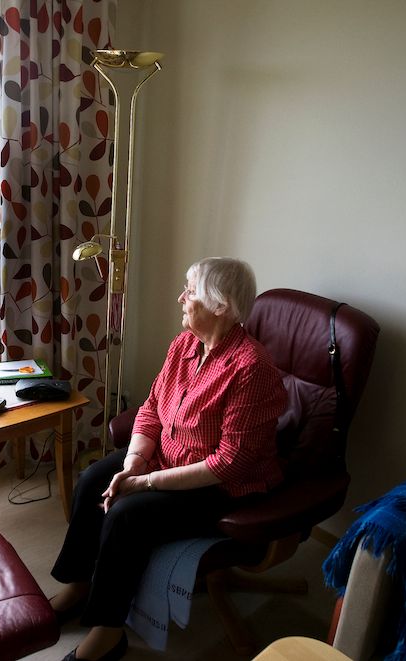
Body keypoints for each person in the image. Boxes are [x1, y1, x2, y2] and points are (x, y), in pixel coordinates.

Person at [50, 257, 289, 661]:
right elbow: (151, 408)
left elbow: (229, 463)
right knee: (93, 478)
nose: (181, 297)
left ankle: (108, 634)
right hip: (168, 457)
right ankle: (79, 584)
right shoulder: (184, 345)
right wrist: (133, 464)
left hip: (220, 485)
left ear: (221, 306)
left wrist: (143, 482)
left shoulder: (251, 369)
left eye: (190, 291)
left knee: (127, 515)